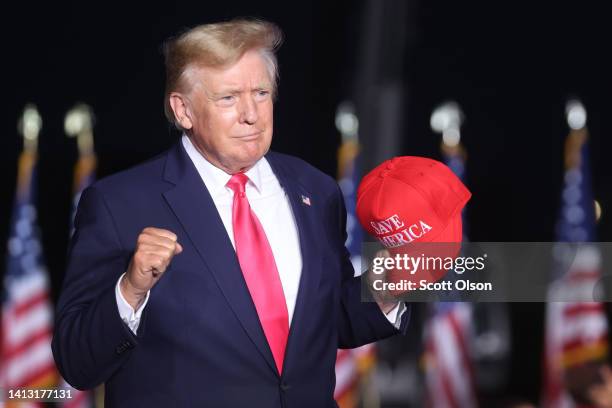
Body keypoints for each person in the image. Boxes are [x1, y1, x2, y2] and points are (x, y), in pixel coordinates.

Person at [51, 18, 408, 407]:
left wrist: (382, 289)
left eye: (260, 92)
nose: (251, 114)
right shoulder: (118, 204)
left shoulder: (317, 191)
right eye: (228, 98)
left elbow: (328, 322)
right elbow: (77, 362)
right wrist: (131, 290)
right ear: (183, 110)